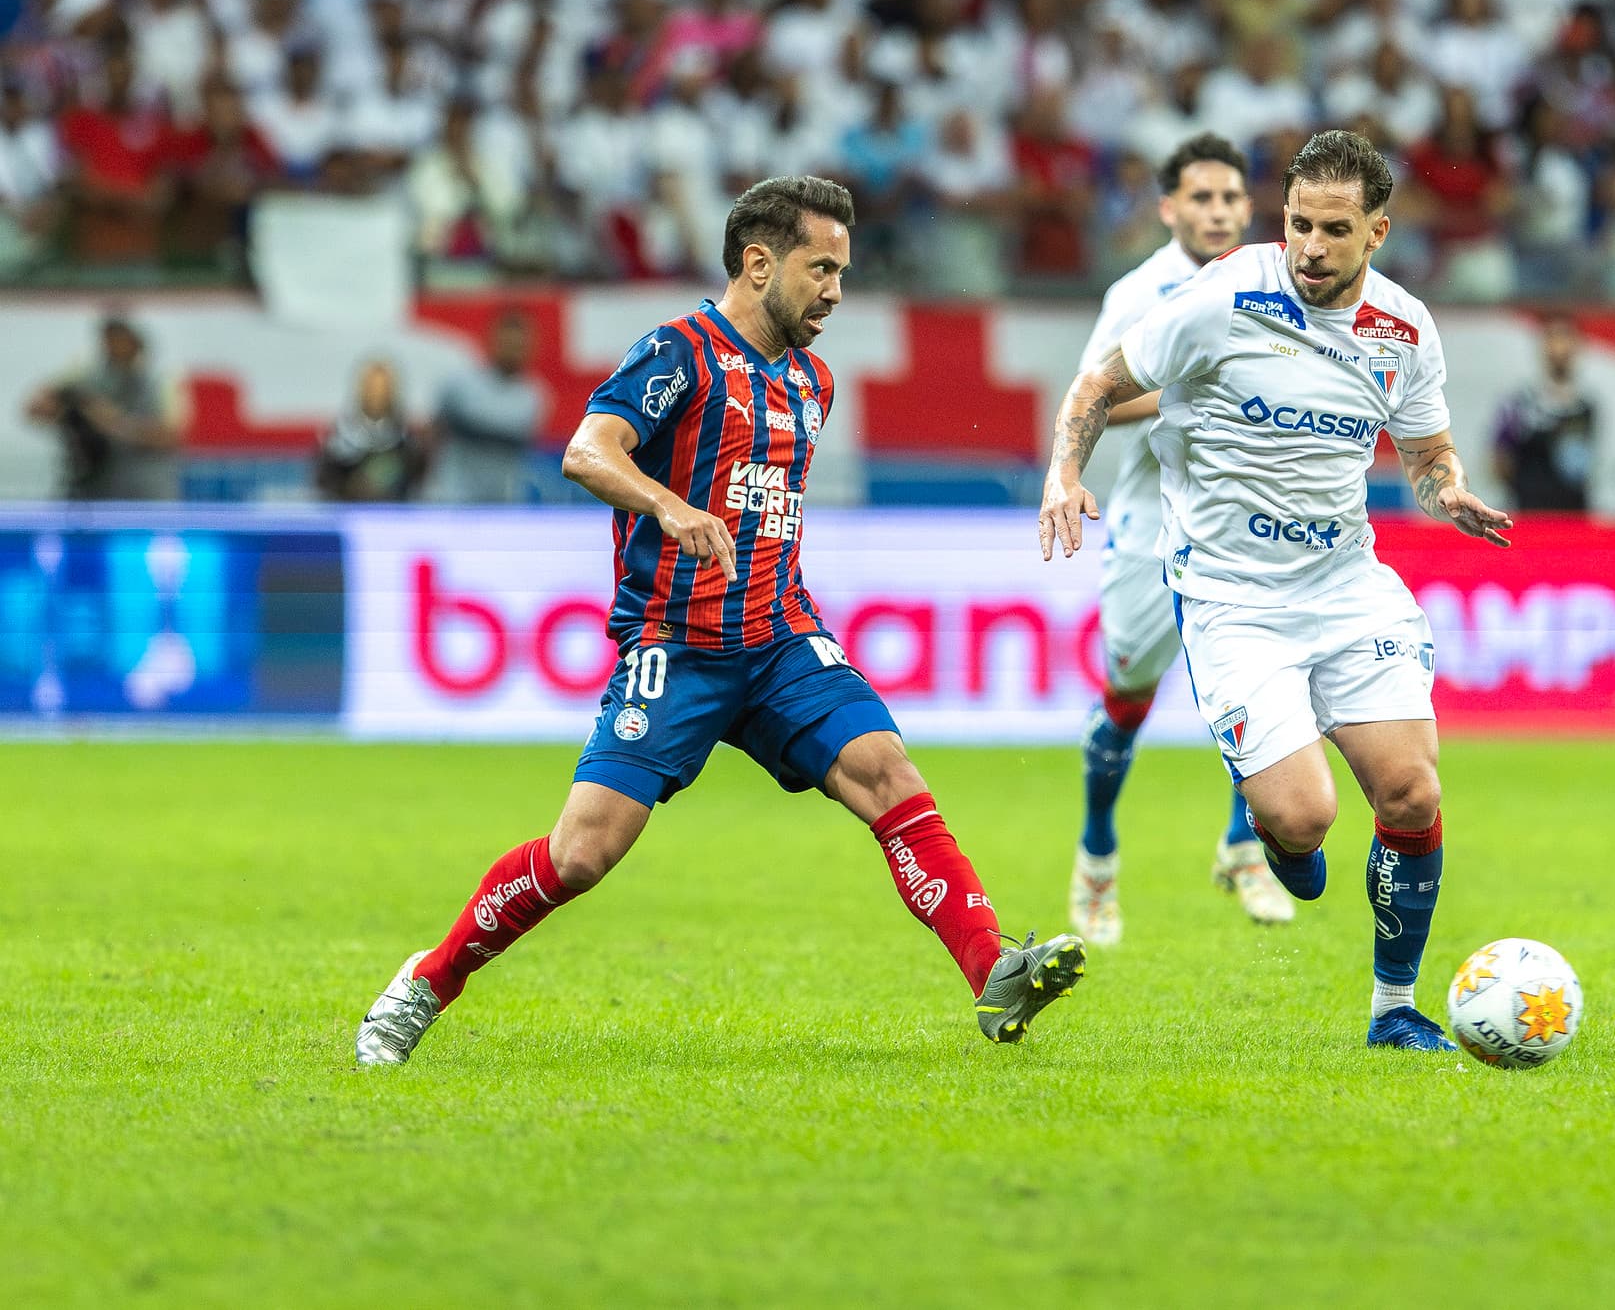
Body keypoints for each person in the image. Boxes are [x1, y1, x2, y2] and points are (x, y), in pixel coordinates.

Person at [357, 176, 1084, 1066]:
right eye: (821, 269)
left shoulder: (812, 381)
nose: (835, 292)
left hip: (781, 638)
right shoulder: (679, 352)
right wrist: (668, 505)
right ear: (758, 263)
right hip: (677, 645)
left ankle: (994, 971)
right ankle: (425, 983)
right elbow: (587, 450)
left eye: (843, 273)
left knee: (888, 773)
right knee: (583, 853)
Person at [1038, 130, 1514, 1051]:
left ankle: (1394, 1010)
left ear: (1377, 231)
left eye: (1334, 230)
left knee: (1412, 793)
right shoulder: (1224, 296)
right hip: (1232, 597)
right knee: (1303, 817)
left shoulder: (1404, 328)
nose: (1310, 247)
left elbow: (1426, 453)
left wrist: (1446, 489)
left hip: (1345, 584)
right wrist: (1065, 475)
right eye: (1298, 224)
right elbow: (1097, 385)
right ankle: (1280, 839)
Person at [1065, 132, 1291, 948]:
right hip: (1151, 524)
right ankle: (1096, 855)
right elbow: (1092, 394)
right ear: (1168, 208)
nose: (1219, 211)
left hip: (1241, 522)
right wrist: (1186, 391)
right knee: (1127, 697)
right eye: (1202, 197)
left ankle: (1244, 846)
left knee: (1258, 684)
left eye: (1231, 197)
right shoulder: (1141, 292)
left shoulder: (1273, 284)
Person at [24, 313, 184, 500]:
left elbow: (171, 438)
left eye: (119, 341)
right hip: (94, 490)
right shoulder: (85, 377)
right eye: (108, 340)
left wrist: (115, 423)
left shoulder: (161, 383)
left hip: (145, 494)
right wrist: (69, 409)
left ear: (136, 343)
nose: (113, 347)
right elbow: (36, 407)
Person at [428, 310, 546, 504]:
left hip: (503, 501)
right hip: (453, 496)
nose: (512, 351)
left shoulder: (533, 395)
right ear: (493, 341)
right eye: (507, 343)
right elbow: (432, 432)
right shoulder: (460, 384)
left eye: (518, 345)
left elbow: (513, 432)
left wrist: (461, 424)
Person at [1490, 313, 1598, 512]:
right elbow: (1500, 461)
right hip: (1531, 514)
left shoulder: (1587, 407)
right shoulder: (1519, 404)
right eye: (1552, 337)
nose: (1559, 347)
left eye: (1566, 337)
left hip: (1575, 515)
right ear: (1542, 345)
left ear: (1577, 345)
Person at [313, 358, 430, 502]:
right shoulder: (339, 439)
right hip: (348, 509)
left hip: (392, 510)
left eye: (383, 388)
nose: (377, 394)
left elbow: (414, 480)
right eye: (372, 387)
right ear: (362, 389)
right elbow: (325, 481)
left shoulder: (405, 442)